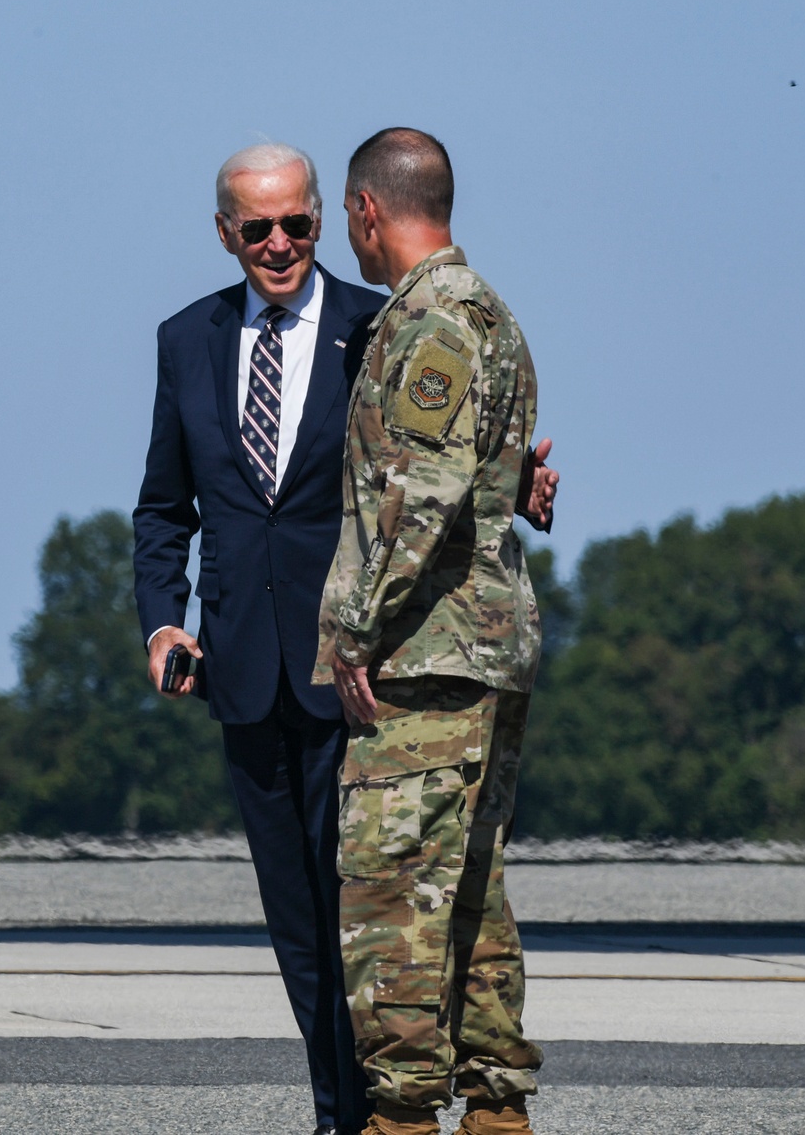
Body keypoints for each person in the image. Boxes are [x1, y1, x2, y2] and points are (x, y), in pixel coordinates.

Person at [133, 142, 557, 1135]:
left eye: (298, 224)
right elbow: (165, 506)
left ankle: (395, 1110)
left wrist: (513, 491)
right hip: (245, 664)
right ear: (224, 233)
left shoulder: (389, 322)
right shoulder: (185, 339)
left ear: (339, 216)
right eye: (257, 228)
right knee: (304, 922)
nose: (279, 245)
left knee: (382, 912)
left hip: (368, 675)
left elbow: (431, 468)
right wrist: (164, 616)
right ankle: (343, 1111)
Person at [314, 129, 546, 1135]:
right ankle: (496, 1110)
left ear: (367, 212)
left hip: (427, 657)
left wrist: (357, 637)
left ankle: (403, 1118)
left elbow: (422, 496)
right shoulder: (484, 311)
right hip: (477, 652)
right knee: (468, 896)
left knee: (392, 901)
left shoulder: (433, 325)